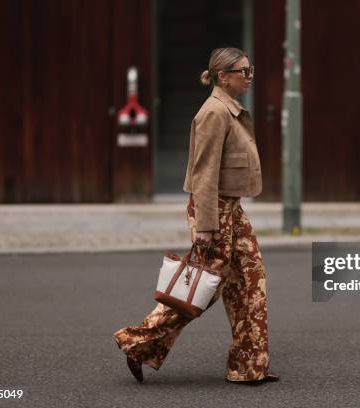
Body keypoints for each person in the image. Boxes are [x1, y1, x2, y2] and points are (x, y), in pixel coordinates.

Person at [114, 47, 279, 385]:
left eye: (251, 69)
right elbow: (203, 173)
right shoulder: (214, 113)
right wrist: (205, 225)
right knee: (201, 288)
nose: (249, 76)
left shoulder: (228, 109)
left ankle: (248, 366)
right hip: (213, 208)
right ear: (223, 76)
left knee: (250, 282)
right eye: (243, 71)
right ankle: (139, 343)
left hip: (230, 206)